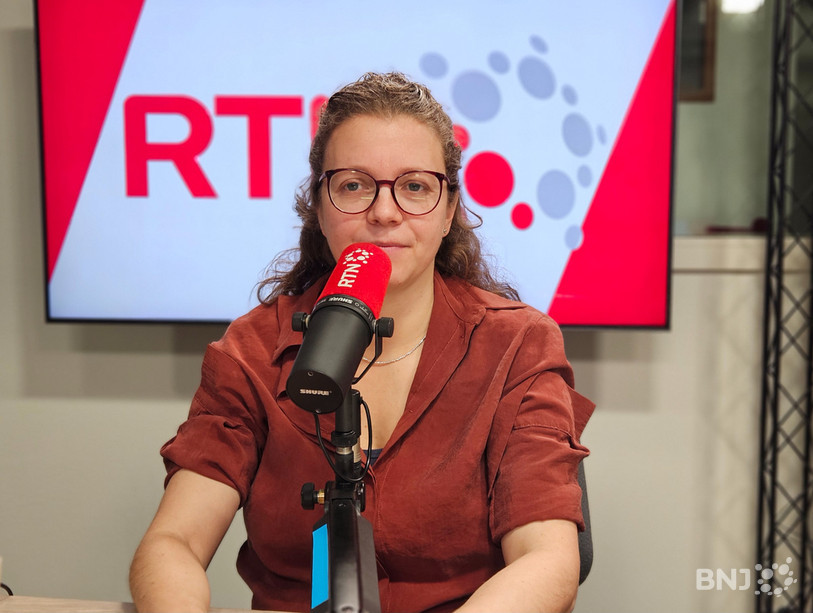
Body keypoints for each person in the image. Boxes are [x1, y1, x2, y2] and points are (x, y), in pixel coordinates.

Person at [129, 72, 594, 613]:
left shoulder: (518, 344)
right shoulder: (251, 350)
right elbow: (174, 543)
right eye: (354, 185)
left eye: (415, 186)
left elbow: (548, 559)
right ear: (319, 207)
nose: (384, 211)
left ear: (449, 212)